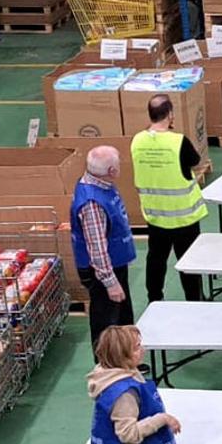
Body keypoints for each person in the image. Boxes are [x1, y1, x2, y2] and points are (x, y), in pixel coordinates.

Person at [131, 94, 207, 303]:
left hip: (156, 216)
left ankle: (154, 299)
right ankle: (194, 300)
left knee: (156, 259)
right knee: (188, 262)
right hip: (184, 217)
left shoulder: (137, 140)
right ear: (170, 115)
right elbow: (195, 160)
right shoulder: (178, 141)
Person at [70, 145, 137, 353]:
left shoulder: (101, 184)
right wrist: (110, 282)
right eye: (118, 164)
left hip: (115, 264)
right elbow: (97, 249)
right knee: (106, 325)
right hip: (103, 272)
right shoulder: (92, 204)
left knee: (123, 316)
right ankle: (107, 371)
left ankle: (127, 360)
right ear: (111, 171)